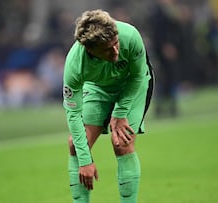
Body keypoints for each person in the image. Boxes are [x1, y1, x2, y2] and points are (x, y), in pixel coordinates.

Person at [63, 9, 154, 203]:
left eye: (116, 44)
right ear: (90, 49)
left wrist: (120, 112)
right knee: (76, 146)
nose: (115, 51)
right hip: (97, 88)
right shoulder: (74, 65)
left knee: (121, 142)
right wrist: (86, 161)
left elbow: (138, 75)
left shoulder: (130, 36)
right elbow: (73, 114)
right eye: (107, 49)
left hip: (131, 85)